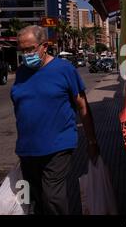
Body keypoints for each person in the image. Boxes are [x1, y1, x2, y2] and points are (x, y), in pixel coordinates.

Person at [11, 25, 99, 215]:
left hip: (58, 146)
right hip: (27, 149)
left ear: (44, 46)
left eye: (30, 49)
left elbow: (82, 106)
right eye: (22, 50)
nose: (26, 54)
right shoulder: (21, 73)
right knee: (33, 200)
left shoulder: (64, 69)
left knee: (52, 197)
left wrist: (92, 141)